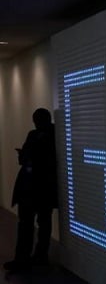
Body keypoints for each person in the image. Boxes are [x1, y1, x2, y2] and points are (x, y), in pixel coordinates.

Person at [4, 108, 58, 272]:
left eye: (36, 120)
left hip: (34, 187)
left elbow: (31, 157)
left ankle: (26, 259)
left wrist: (26, 155)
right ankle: (37, 257)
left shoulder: (44, 136)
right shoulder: (47, 135)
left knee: (29, 224)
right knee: (41, 224)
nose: (35, 124)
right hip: (41, 188)